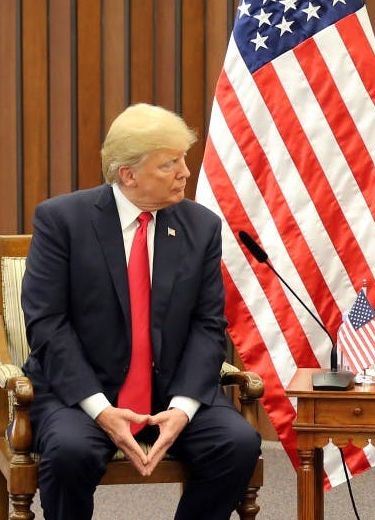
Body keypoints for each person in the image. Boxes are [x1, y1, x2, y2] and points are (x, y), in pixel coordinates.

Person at [21, 103, 261, 520]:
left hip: (171, 389)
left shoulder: (200, 226)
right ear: (127, 174)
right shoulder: (62, 221)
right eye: (170, 164)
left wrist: (183, 408)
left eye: (184, 159)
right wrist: (101, 410)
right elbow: (47, 325)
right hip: (82, 392)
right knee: (70, 453)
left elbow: (209, 326)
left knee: (237, 443)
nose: (186, 172)